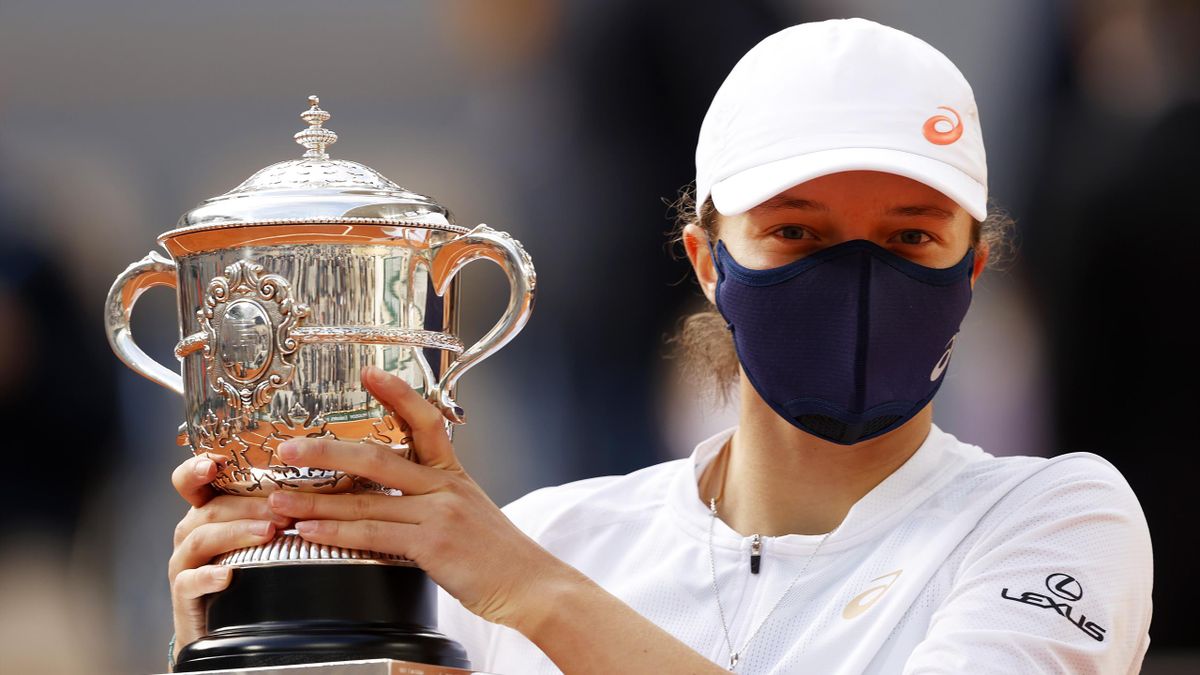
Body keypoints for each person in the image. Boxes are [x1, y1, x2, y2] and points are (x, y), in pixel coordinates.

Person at [167, 18, 1153, 674]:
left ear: (972, 265)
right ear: (708, 259)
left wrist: (529, 591)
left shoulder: (1056, 517)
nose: (857, 279)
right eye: (797, 232)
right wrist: (238, 626)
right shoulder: (554, 537)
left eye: (909, 237)